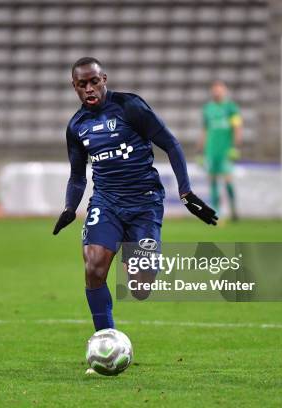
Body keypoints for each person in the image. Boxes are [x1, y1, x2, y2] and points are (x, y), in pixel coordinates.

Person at [52, 57, 217, 337]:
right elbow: (78, 176)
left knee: (140, 287)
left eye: (94, 81)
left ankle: (135, 249)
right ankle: (105, 338)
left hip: (144, 202)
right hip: (106, 202)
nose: (89, 89)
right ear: (74, 87)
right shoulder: (76, 126)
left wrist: (186, 191)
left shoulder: (130, 106)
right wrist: (70, 206)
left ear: (104, 79)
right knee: (93, 265)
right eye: (82, 85)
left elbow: (171, 143)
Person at [199, 80, 242, 220]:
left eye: (220, 89)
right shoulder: (208, 109)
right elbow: (205, 130)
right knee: (212, 180)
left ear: (224, 91)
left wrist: (235, 147)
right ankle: (216, 211)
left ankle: (234, 209)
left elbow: (237, 128)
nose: (217, 92)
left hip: (225, 150)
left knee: (227, 180)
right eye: (215, 89)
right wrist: (201, 151)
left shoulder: (231, 108)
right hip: (211, 150)